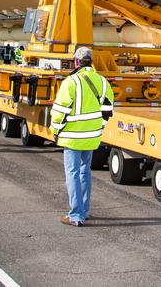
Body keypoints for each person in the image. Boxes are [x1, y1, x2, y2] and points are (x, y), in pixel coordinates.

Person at [49, 46, 114, 226]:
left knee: (73, 173)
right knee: (85, 172)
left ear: (76, 62)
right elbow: (108, 110)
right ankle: (84, 211)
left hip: (72, 137)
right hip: (92, 137)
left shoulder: (71, 82)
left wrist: (55, 129)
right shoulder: (102, 82)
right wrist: (99, 127)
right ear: (91, 61)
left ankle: (75, 215)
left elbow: (59, 110)